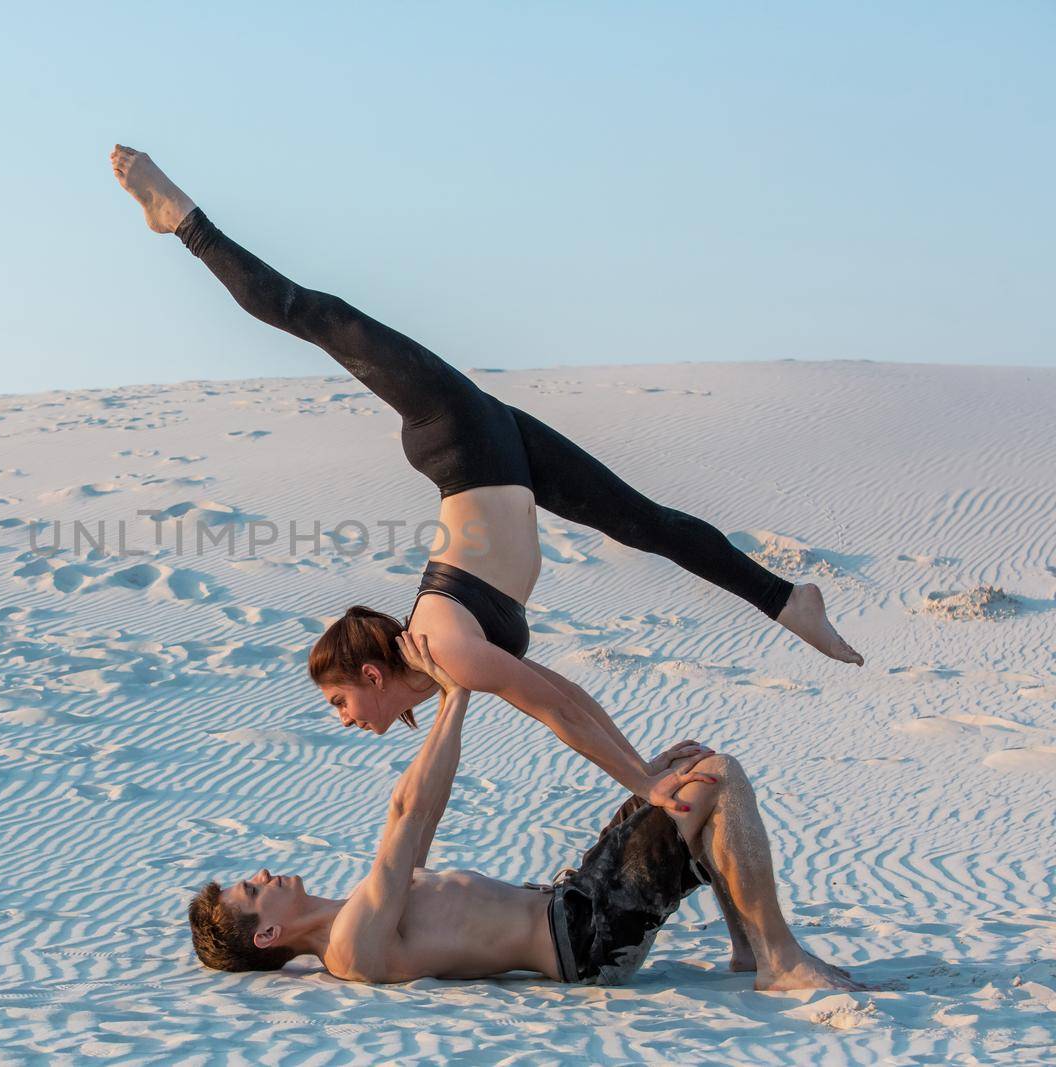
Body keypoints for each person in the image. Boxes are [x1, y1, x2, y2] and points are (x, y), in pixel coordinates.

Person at [111, 145, 863, 813]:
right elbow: (564, 695)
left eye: (339, 699)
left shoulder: (443, 645)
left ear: (372, 672)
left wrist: (641, 783)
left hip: (461, 439)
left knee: (313, 314)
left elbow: (553, 705)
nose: (343, 715)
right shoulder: (445, 661)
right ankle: (787, 599)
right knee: (646, 523)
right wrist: (641, 770)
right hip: (501, 453)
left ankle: (181, 217)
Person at [188, 634, 861, 992]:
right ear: (268, 933)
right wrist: (455, 692)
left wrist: (459, 692)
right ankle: (778, 956)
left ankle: (745, 943)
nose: (266, 873)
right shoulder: (351, 946)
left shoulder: (364, 909)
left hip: (576, 899)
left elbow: (423, 816)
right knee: (717, 778)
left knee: (686, 763)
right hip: (587, 936)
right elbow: (403, 808)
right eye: (254, 888)